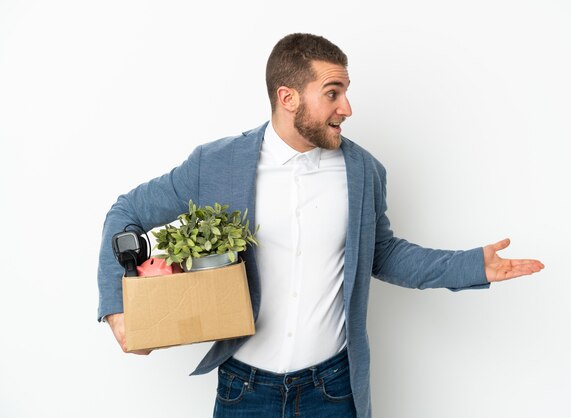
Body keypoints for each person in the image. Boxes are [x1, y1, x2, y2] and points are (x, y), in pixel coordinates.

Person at [97, 33, 544, 418]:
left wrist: (471, 267)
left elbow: (382, 253)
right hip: (244, 391)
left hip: (333, 390)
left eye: (346, 91)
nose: (347, 107)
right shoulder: (214, 165)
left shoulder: (364, 171)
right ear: (287, 96)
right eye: (333, 92)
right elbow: (126, 212)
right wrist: (119, 310)